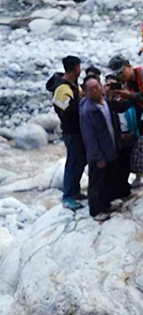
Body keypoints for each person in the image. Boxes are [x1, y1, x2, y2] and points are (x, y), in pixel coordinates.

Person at [106, 55, 143, 190]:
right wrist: (109, 99)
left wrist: (130, 95)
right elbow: (126, 105)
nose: (120, 76)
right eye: (117, 74)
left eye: (121, 72)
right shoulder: (127, 85)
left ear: (129, 67)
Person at [46, 55, 86, 210]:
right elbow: (67, 112)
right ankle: (68, 196)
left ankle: (75, 191)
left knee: (80, 161)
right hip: (72, 131)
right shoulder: (63, 89)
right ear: (76, 68)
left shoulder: (72, 85)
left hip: (77, 130)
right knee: (73, 162)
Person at [79, 76, 122, 221]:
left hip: (110, 147)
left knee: (108, 179)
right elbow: (89, 137)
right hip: (99, 153)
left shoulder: (105, 102)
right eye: (91, 89)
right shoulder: (88, 111)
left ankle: (106, 204)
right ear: (86, 92)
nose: (96, 91)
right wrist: (98, 157)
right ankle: (96, 211)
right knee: (96, 182)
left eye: (97, 87)